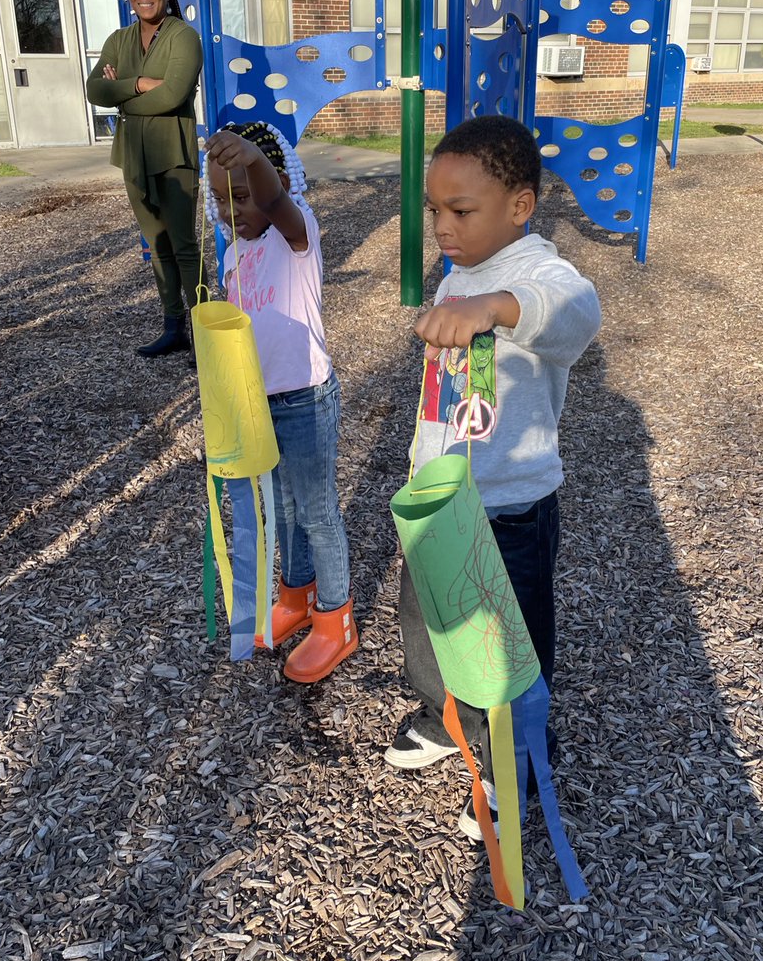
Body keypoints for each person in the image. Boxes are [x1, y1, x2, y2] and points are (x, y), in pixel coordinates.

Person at [384, 114, 601, 839]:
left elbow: (574, 313)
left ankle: (520, 757)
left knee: (511, 644)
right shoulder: (462, 268)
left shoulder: (534, 271)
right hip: (439, 498)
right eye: (435, 211)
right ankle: (449, 716)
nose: (443, 226)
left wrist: (496, 308)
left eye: (461, 211)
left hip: (509, 505)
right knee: (429, 621)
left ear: (519, 206)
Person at [203, 121, 357, 684]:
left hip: (307, 399)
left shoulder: (296, 237)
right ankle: (297, 594)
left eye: (239, 197)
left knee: (316, 509)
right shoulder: (232, 256)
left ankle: (336, 617)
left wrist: (251, 163)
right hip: (260, 403)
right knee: (284, 509)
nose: (231, 210)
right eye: (220, 199)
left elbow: (273, 198)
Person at [86, 0, 205, 357]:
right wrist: (136, 82)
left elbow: (173, 94)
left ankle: (204, 332)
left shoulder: (183, 37)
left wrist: (121, 94)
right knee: (156, 245)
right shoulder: (118, 40)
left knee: (184, 246)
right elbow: (93, 89)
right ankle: (173, 326)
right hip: (133, 157)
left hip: (173, 153)